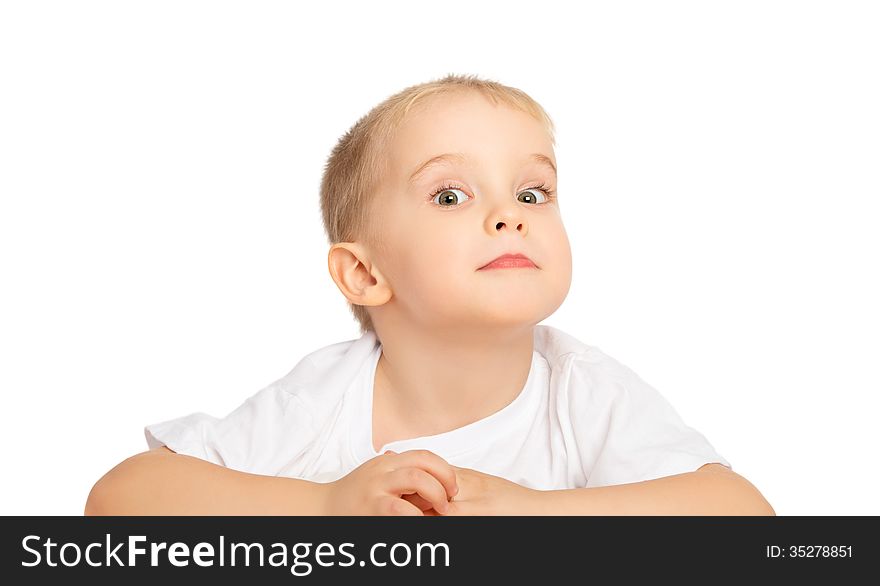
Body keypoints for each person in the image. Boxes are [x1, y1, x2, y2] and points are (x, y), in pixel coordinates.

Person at [85, 73, 774, 516]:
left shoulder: (580, 392)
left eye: (532, 192)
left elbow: (742, 515)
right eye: (450, 195)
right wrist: (327, 506)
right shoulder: (328, 398)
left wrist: (525, 513)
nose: (513, 215)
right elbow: (121, 499)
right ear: (364, 275)